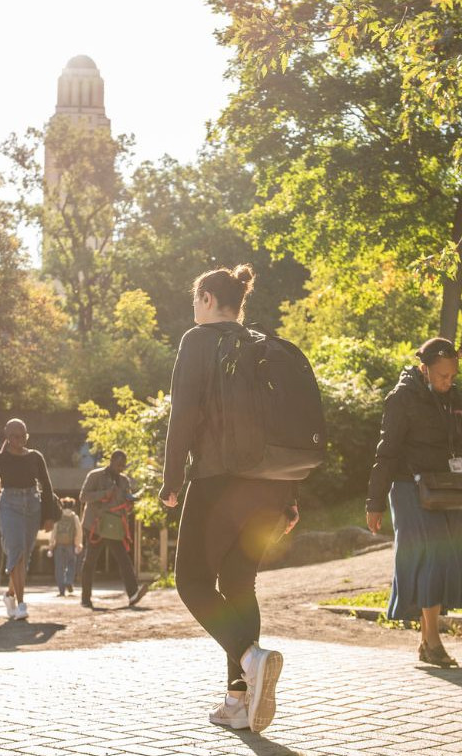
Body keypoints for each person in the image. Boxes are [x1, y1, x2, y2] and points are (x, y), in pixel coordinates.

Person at [161, 264, 299, 734]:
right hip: (271, 485)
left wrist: (171, 479)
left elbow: (183, 415)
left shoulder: (198, 341)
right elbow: (284, 425)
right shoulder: (261, 345)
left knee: (192, 582)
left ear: (205, 298)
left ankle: (249, 658)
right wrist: (291, 493)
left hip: (218, 479)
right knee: (240, 581)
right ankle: (238, 700)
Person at [366, 337, 462, 668]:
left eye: (452, 376)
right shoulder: (402, 398)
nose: (449, 382)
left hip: (445, 488)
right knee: (430, 557)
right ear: (424, 369)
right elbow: (386, 452)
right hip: (409, 489)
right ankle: (432, 641)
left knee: (445, 558)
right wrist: (374, 502)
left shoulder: (451, 397)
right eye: (443, 376)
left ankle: (426, 640)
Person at [0, 420, 58, 620]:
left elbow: (47, 486)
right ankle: (21, 604)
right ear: (7, 437)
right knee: (16, 551)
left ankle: (9, 595)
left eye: (23, 435)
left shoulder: (36, 457)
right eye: (15, 436)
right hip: (9, 504)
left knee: (23, 555)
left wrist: (49, 515)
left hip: (32, 505)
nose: (20, 440)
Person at [79, 451, 148, 608]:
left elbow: (126, 502)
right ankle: (85, 598)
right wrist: (104, 494)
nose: (121, 468)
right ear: (111, 461)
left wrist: (130, 504)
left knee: (124, 559)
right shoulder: (95, 475)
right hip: (94, 525)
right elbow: (83, 496)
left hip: (113, 527)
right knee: (90, 561)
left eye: (123, 466)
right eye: (119, 465)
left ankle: (133, 594)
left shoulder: (124, 481)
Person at [47, 497, 83, 597]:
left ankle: (61, 590)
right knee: (71, 563)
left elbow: (54, 532)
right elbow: (79, 531)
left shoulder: (58, 517)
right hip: (70, 545)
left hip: (59, 545)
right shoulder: (74, 517)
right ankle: (69, 581)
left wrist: (51, 546)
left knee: (59, 567)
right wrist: (78, 544)